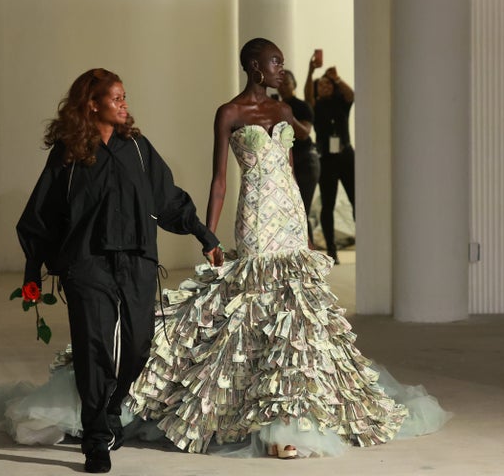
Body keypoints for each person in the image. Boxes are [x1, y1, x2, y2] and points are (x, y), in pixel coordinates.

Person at [126, 38, 451, 458]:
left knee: (297, 309)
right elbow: (220, 180)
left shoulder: (283, 111)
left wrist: (306, 224)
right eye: (275, 62)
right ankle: (260, 412)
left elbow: (293, 172)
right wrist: (208, 235)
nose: (282, 68)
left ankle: (295, 414)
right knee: (260, 304)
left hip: (291, 216)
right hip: (257, 215)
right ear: (254, 67)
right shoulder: (229, 112)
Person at [0, 68, 224, 474]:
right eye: (116, 97)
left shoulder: (136, 148)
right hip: (87, 263)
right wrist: (33, 270)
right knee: (93, 348)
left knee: (138, 346)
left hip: (136, 260)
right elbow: (43, 214)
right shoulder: (69, 152)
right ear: (92, 102)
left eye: (125, 97)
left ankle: (111, 408)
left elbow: (167, 198)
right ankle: (96, 437)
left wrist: (204, 235)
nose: (124, 104)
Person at [305, 55, 356, 264]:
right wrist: (310, 72)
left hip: (346, 155)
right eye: (321, 84)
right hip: (326, 158)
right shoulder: (315, 107)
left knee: (356, 200)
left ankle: (365, 242)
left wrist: (336, 78)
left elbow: (351, 94)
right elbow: (307, 96)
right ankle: (332, 251)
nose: (324, 87)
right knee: (328, 204)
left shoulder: (341, 103)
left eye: (328, 84)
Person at [276, 69, 319, 247]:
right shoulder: (275, 106)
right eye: (280, 83)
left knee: (301, 212)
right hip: (287, 165)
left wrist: (287, 115)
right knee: (287, 212)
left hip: (306, 163)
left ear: (294, 85)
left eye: (287, 83)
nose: (283, 87)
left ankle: (309, 256)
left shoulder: (301, 106)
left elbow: (304, 133)